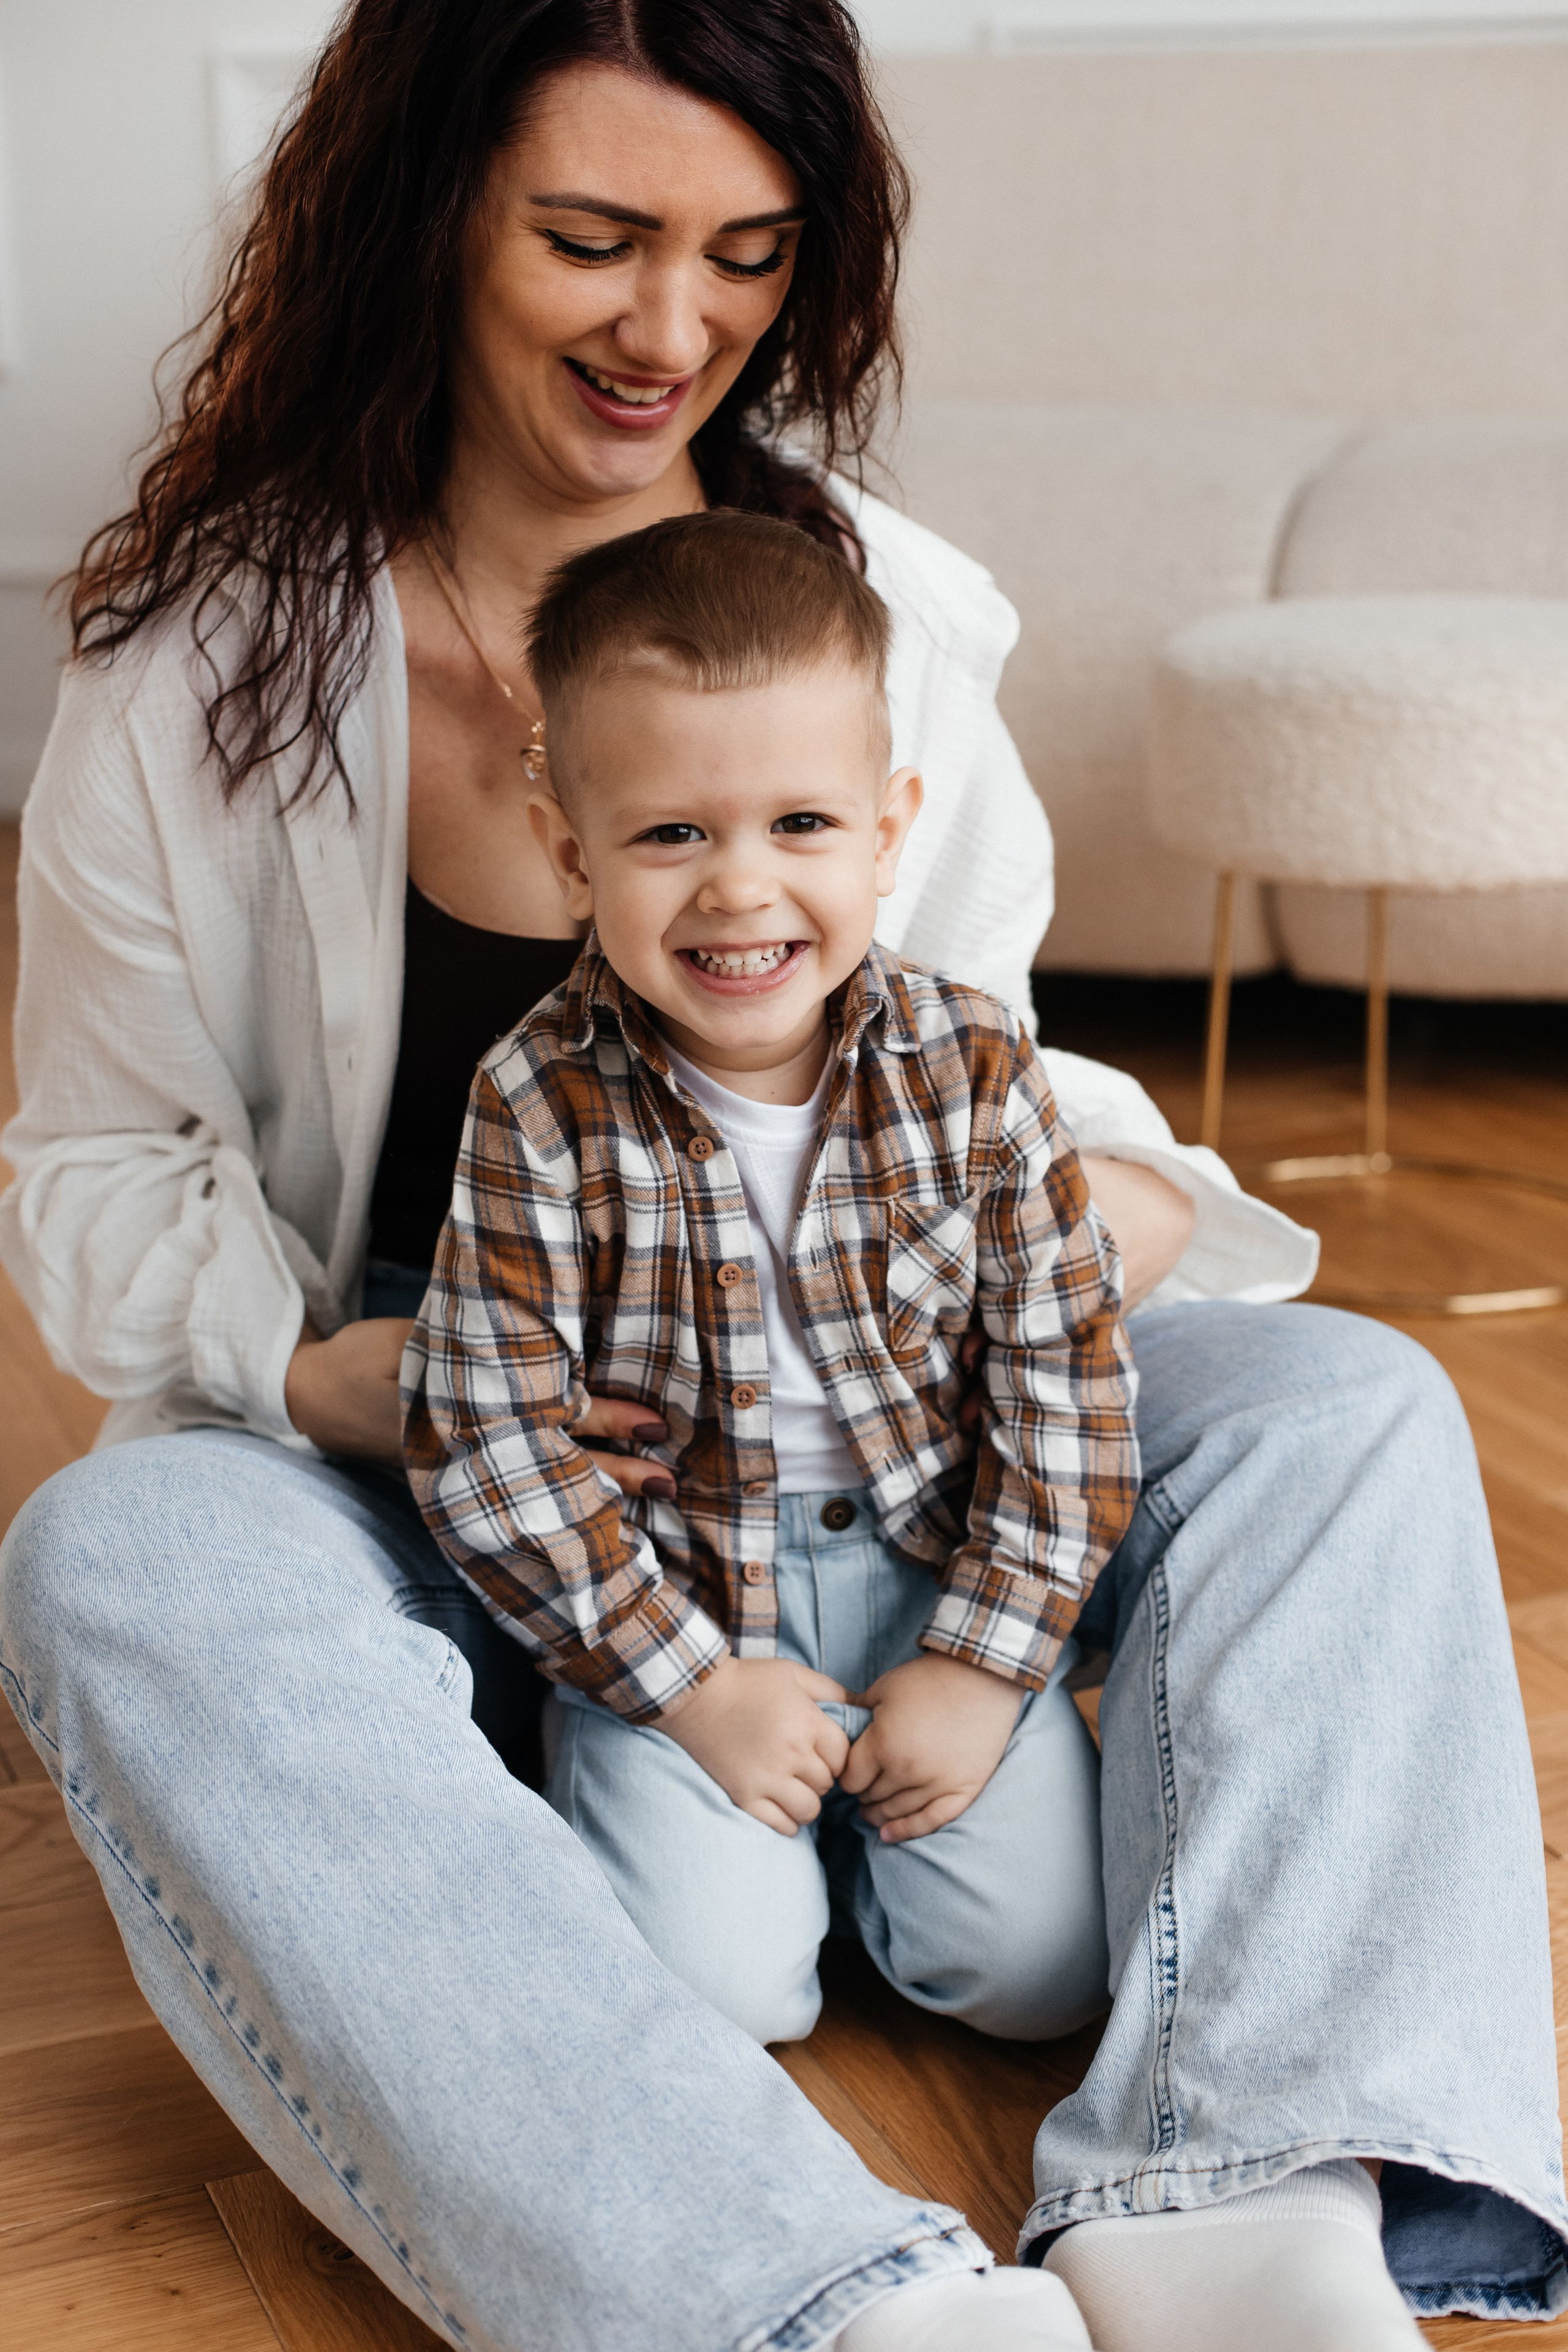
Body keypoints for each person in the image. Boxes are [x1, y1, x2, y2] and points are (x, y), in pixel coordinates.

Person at [0, 3, 1559, 2348]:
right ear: (429, 219)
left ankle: (1244, 2201)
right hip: (457, 1463)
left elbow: (993, 1069)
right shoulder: (200, 664)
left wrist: (1092, 1223)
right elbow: (97, 1166)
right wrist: (350, 1381)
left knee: (1347, 1406)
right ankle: (807, 2305)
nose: (673, 328)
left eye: (745, 252)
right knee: (113, 1556)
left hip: (898, 1445)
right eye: (594, 239)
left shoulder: (895, 616)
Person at [402, 510, 1141, 2059]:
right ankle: (685, 1810)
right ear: (569, 852)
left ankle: (865, 1847)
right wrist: (687, 1691)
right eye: (671, 834)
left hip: (928, 1572)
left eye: (800, 825)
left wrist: (984, 1659)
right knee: (718, 2000)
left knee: (1038, 1979)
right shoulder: (535, 1099)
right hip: (672, 1595)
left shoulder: (973, 1070)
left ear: (888, 830)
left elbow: (1065, 1393)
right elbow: (486, 1439)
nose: (740, 891)